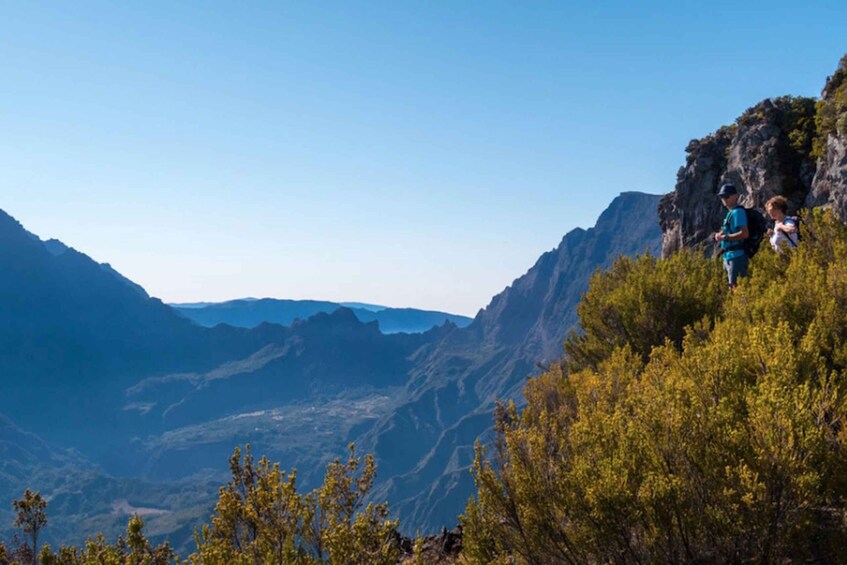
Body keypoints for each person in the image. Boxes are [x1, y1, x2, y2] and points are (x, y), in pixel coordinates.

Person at [713, 183, 749, 289]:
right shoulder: (730, 213)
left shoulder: (738, 212)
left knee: (737, 289)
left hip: (737, 256)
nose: (724, 199)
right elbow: (728, 229)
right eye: (722, 197)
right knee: (731, 288)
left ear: (735, 196)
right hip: (728, 256)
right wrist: (719, 235)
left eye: (726, 196)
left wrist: (725, 237)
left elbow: (744, 234)